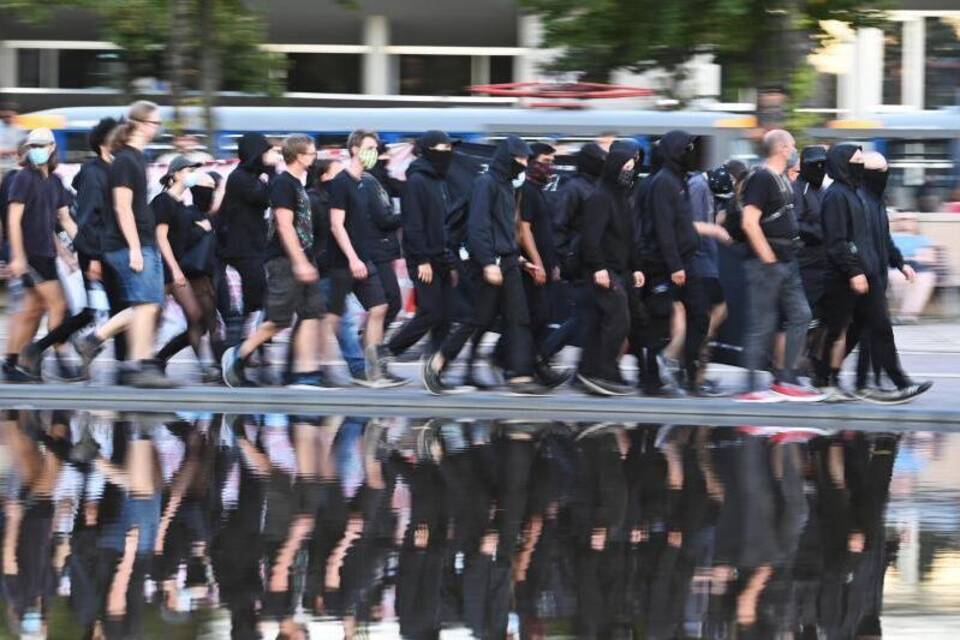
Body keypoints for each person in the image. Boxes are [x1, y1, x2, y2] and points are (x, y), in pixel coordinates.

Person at [421, 135, 547, 395]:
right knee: (476, 318)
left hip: (508, 261)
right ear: (506, 159)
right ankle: (438, 361)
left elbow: (503, 230)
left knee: (518, 317)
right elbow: (478, 227)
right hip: (490, 263)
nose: (524, 164)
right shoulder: (486, 183)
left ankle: (520, 374)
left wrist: (520, 259)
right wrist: (489, 263)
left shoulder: (507, 186)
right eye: (520, 159)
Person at [74, 101, 176, 388]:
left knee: (150, 304)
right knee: (146, 305)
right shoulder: (125, 161)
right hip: (129, 243)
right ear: (141, 124)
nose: (157, 129)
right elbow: (122, 207)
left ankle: (104, 345)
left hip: (140, 241)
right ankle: (140, 364)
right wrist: (134, 247)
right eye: (155, 123)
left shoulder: (134, 159)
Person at [221, 134, 330, 388]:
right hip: (285, 260)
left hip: (304, 258)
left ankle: (306, 373)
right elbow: (284, 225)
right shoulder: (283, 184)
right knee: (279, 320)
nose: (315, 158)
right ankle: (238, 356)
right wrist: (300, 262)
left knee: (312, 313)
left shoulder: (297, 183)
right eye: (312, 153)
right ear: (300, 156)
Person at [735, 129, 822, 403]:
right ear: (782, 148)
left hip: (788, 259)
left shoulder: (781, 179)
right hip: (767, 262)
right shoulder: (762, 177)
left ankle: (784, 378)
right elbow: (749, 221)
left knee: (801, 315)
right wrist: (767, 257)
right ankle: (751, 387)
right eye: (793, 146)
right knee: (763, 324)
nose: (796, 151)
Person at [848, 151, 931, 402]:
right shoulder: (860, 200)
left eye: (886, 170)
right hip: (865, 276)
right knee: (880, 329)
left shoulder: (875, 200)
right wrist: (858, 272)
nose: (884, 175)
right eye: (879, 171)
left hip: (876, 276)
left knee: (860, 332)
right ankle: (899, 381)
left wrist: (901, 263)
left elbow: (884, 239)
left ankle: (851, 380)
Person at [378, 131, 460, 380]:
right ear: (427, 150)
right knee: (430, 312)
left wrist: (450, 260)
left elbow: (444, 223)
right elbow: (413, 225)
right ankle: (387, 351)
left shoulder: (440, 180)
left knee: (445, 317)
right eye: (441, 148)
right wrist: (423, 259)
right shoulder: (416, 182)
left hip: (442, 257)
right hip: (423, 259)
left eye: (449, 148)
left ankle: (435, 371)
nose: (447, 153)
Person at [5, 127, 82, 382]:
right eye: (33, 146)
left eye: (42, 145)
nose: (37, 151)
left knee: (32, 309)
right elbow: (13, 221)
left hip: (46, 252)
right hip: (31, 254)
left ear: (52, 148)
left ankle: (12, 362)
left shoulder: (55, 181)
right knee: (58, 304)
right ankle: (59, 359)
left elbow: (61, 220)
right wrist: (17, 256)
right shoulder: (23, 178)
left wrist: (80, 249)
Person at [326, 129, 399, 386]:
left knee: (380, 307)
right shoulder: (341, 182)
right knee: (331, 318)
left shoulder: (364, 181)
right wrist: (353, 259)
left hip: (363, 257)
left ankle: (373, 369)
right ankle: (311, 368)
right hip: (344, 261)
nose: (374, 152)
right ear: (355, 149)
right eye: (369, 147)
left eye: (376, 148)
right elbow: (337, 225)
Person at [575, 139, 645, 395]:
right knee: (618, 320)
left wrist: (635, 266)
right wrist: (598, 268)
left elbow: (627, 237)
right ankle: (602, 372)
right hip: (605, 271)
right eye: (626, 166)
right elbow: (590, 237)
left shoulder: (620, 197)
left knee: (599, 323)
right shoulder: (600, 197)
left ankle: (593, 371)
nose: (630, 172)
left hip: (620, 270)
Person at [643, 130, 709, 395]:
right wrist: (675, 266)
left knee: (700, 316)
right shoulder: (664, 183)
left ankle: (689, 374)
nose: (692, 153)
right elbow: (664, 228)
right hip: (669, 266)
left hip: (684, 262)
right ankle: (652, 378)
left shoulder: (678, 180)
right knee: (659, 323)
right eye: (687, 148)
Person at [151, 156, 220, 381]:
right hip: (162, 269)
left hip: (173, 270)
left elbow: (183, 237)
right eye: (189, 170)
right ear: (175, 174)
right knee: (149, 318)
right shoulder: (163, 201)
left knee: (195, 315)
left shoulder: (181, 206)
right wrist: (176, 269)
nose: (193, 174)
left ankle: (203, 366)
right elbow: (161, 238)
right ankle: (144, 361)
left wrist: (199, 229)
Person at [219, 133, 281, 349]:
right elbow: (265, 197)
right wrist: (272, 171)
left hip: (253, 245)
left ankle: (248, 344)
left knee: (256, 295)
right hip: (241, 247)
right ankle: (240, 345)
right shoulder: (239, 177)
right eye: (266, 152)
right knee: (258, 293)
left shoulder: (252, 176)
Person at [517, 142, 570, 385]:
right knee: (535, 316)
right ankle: (526, 366)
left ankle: (536, 365)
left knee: (542, 316)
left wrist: (552, 264)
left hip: (546, 265)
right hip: (531, 267)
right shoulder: (526, 190)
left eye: (552, 162)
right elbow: (523, 229)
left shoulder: (539, 190)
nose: (549, 168)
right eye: (545, 162)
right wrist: (536, 263)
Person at [362, 141, 404, 329]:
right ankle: (370, 345)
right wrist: (409, 216)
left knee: (384, 304)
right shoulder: (371, 182)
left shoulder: (380, 180)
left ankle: (370, 344)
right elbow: (383, 219)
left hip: (380, 249)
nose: (387, 159)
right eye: (383, 155)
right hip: (377, 250)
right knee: (390, 302)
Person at [889, 212, 937, 322]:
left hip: (920, 268)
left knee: (925, 279)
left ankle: (907, 316)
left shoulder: (923, 239)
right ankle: (906, 315)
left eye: (910, 219)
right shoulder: (889, 238)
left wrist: (918, 257)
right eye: (902, 219)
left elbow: (929, 258)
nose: (906, 222)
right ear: (896, 222)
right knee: (900, 278)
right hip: (897, 266)